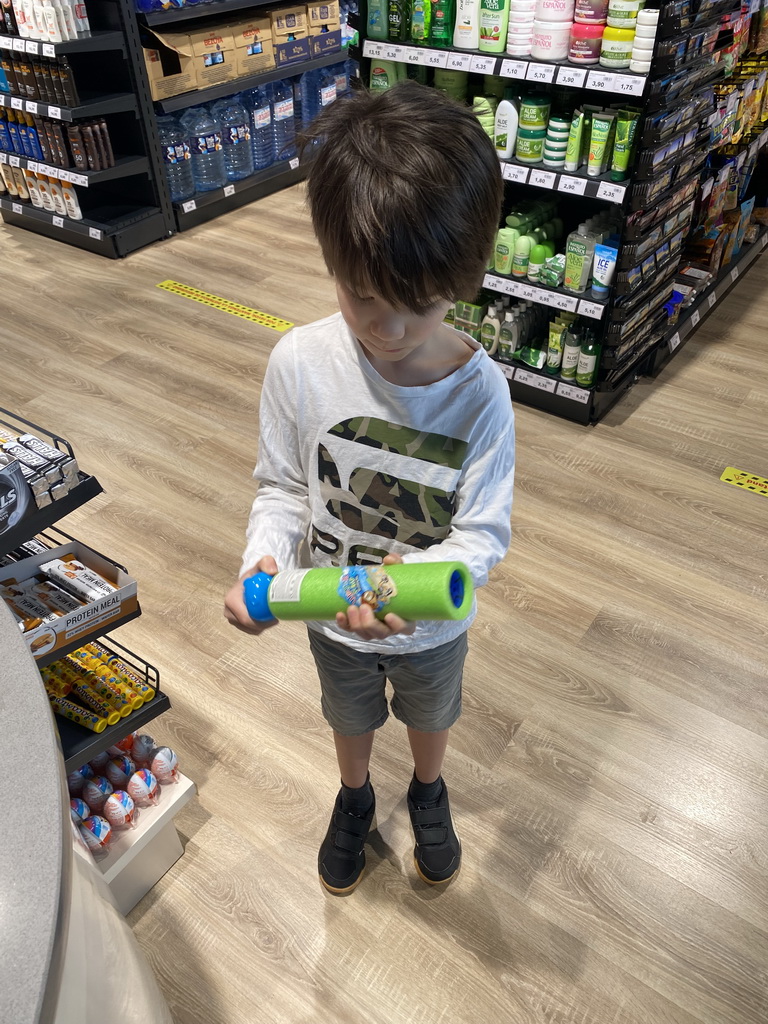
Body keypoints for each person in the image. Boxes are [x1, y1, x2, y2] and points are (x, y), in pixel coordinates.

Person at [224, 80, 515, 895]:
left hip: (428, 627)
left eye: (416, 306)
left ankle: (429, 789)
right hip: (330, 614)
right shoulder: (298, 364)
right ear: (329, 259)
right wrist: (262, 566)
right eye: (360, 296)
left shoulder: (480, 394)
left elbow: (482, 533)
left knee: (431, 714)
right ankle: (355, 798)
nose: (385, 329)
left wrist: (420, 594)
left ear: (464, 277)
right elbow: (282, 487)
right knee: (348, 718)